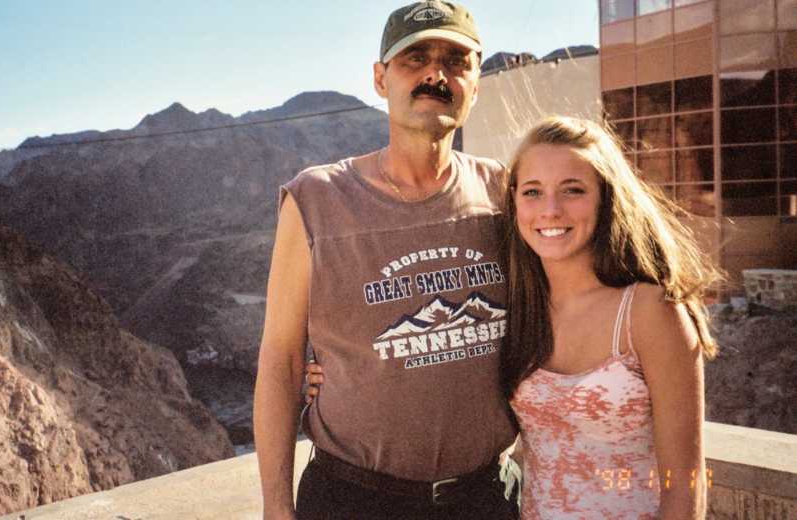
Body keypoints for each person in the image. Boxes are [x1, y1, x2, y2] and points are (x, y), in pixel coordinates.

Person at [308, 116, 720, 519]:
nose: (551, 210)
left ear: (606, 198)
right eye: (533, 192)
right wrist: (341, 378)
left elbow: (685, 484)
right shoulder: (517, 305)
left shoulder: (650, 310)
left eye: (573, 190)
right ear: (514, 203)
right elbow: (444, 359)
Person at [253, 0, 520, 520]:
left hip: (486, 499)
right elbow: (281, 362)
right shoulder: (315, 199)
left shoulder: (504, 192)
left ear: (476, 83)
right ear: (381, 79)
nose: (435, 76)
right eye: (414, 60)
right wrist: (276, 508)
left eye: (455, 62)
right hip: (352, 501)